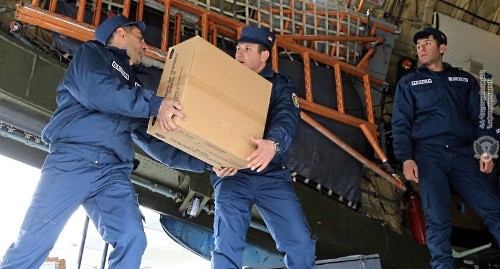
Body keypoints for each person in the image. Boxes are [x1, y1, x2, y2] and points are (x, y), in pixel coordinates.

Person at [0, 15, 207, 269]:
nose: (145, 46)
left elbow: (156, 140)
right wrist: (153, 103)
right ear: (120, 33)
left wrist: (207, 162)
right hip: (73, 161)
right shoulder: (92, 55)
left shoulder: (134, 86)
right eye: (140, 38)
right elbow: (97, 91)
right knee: (35, 241)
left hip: (111, 172)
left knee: (132, 238)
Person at [391, 27, 500, 269]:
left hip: (463, 153)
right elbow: (400, 123)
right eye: (418, 44)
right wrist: (406, 158)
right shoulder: (409, 83)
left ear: (442, 48)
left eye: (427, 43)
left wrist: (486, 150)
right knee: (437, 216)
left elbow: (482, 117)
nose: (421, 48)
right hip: (429, 154)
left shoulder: (464, 80)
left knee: (493, 207)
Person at [210, 26, 316, 269]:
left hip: (270, 175)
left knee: (300, 242)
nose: (239, 54)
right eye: (238, 49)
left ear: (264, 55)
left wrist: (273, 144)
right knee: (226, 243)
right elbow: (207, 121)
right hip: (232, 173)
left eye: (247, 49)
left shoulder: (280, 87)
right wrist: (212, 160)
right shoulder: (223, 81)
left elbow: (287, 118)